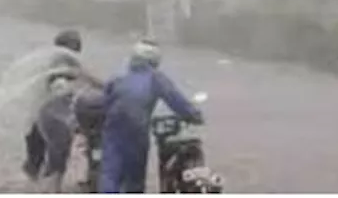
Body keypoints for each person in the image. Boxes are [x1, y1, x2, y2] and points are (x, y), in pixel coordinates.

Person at [98, 39, 203, 194]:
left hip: (113, 129)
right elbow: (175, 100)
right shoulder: (155, 78)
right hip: (137, 130)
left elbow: (105, 101)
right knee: (134, 176)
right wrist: (194, 116)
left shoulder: (118, 75)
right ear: (155, 60)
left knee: (110, 173)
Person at [18, 29, 102, 189]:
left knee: (40, 160)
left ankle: (36, 184)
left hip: (40, 118)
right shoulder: (62, 67)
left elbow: (88, 79)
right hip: (50, 119)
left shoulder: (56, 63)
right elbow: (82, 82)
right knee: (55, 160)